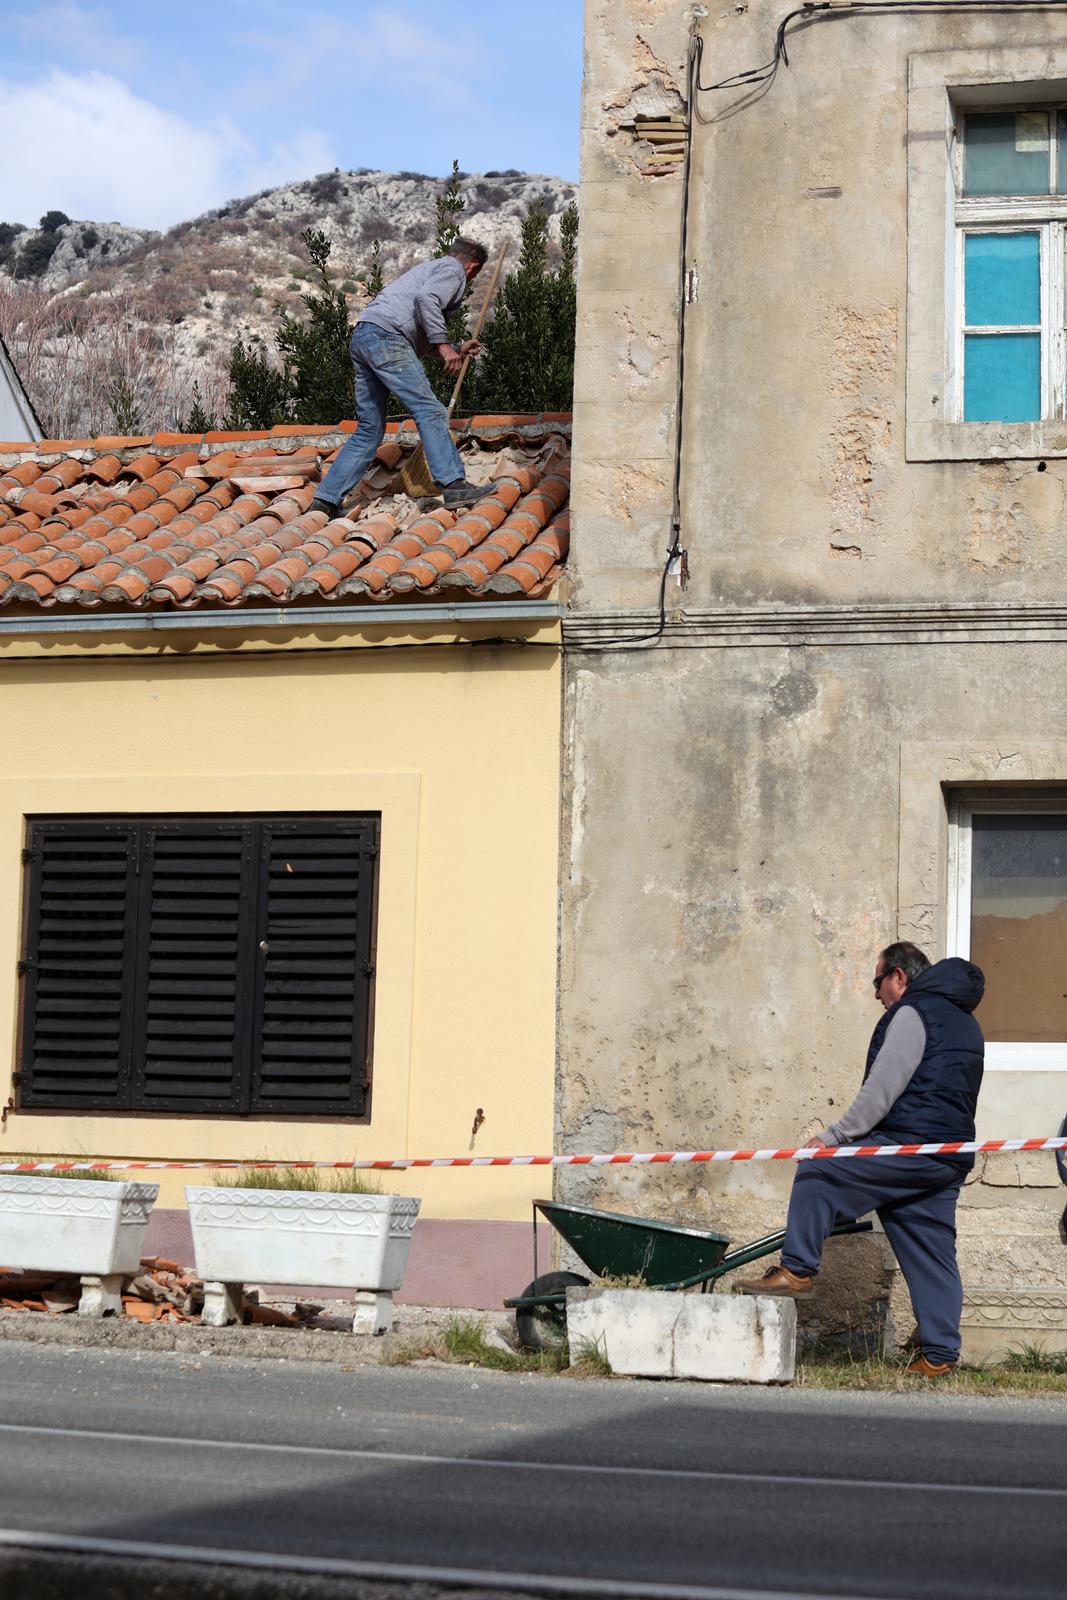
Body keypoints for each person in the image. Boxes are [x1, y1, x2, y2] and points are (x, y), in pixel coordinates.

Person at [738, 941, 985, 1377]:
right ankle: (940, 1356)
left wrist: (833, 1137)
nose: (876, 995)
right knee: (931, 1249)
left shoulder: (914, 1012)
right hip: (947, 1157)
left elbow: (882, 1091)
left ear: (900, 977)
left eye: (878, 982)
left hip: (908, 1146)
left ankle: (796, 1271)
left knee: (819, 1167)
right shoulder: (967, 1023)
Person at [311, 237, 493, 517]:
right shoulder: (453, 269)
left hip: (365, 336)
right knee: (430, 411)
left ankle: (325, 499)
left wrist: (456, 348)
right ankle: (454, 484)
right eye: (473, 275)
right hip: (386, 338)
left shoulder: (425, 271)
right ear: (473, 267)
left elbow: (413, 334)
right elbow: (427, 300)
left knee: (370, 428)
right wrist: (445, 349)